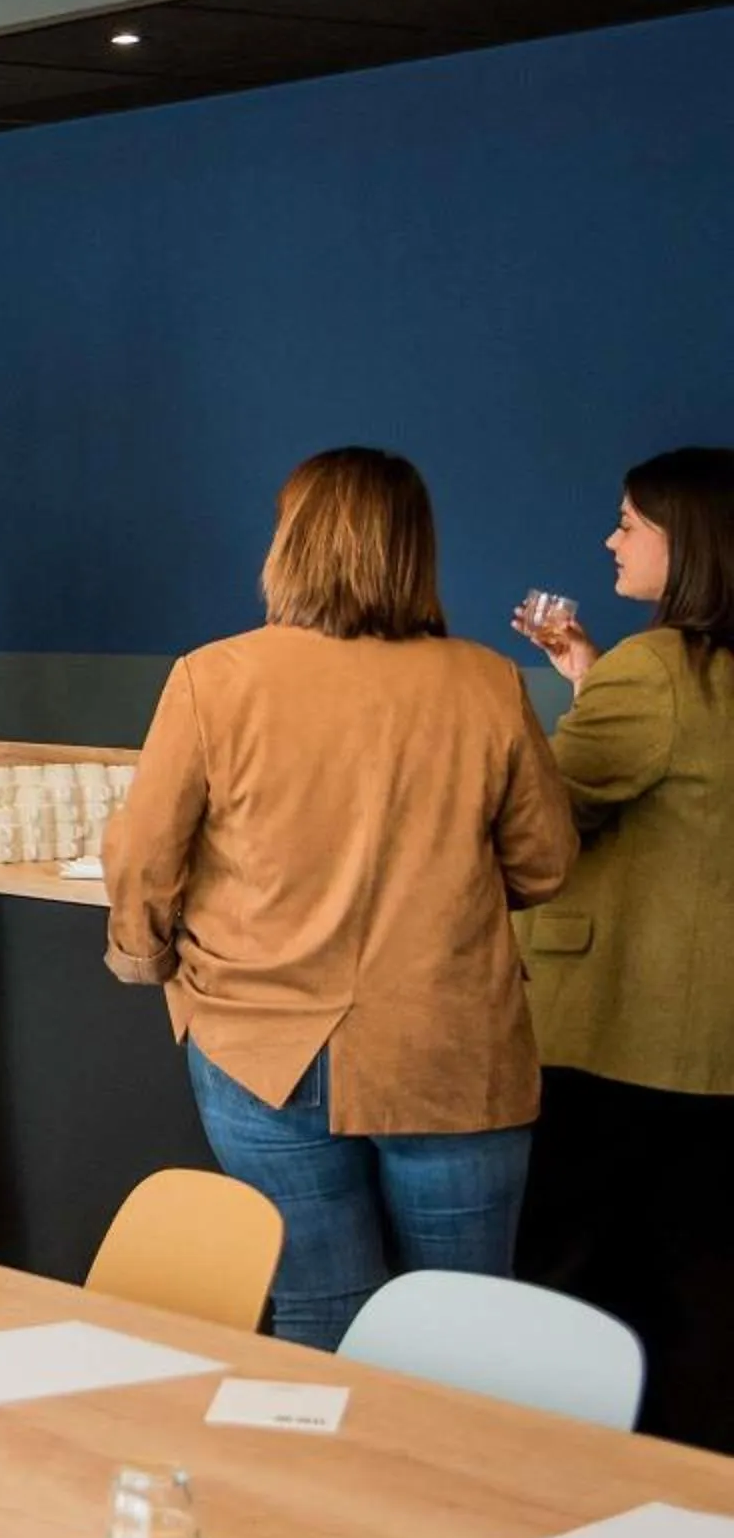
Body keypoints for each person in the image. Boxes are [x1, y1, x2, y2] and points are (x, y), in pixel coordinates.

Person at [105, 448, 576, 1350]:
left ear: (292, 545)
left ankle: (323, 1490)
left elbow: (146, 863)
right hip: (450, 1043)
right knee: (467, 1332)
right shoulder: (486, 682)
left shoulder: (215, 677)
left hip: (258, 1038)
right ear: (415, 552)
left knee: (321, 1308)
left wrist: (148, 959)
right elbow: (546, 865)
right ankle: (450, 1494)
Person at [512, 446, 734, 1450]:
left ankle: (570, 1496)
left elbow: (545, 820)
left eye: (629, 523)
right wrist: (589, 677)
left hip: (619, 1029)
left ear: (685, 543)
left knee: (579, 1283)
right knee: (700, 1289)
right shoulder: (696, 673)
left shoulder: (657, 668)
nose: (611, 537)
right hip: (708, 1040)